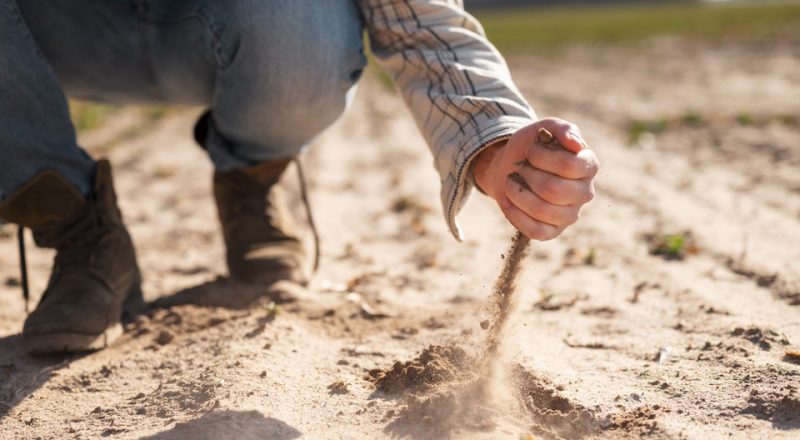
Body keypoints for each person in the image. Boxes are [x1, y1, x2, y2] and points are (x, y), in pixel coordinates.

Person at [0, 0, 598, 355]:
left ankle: (251, 176)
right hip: (47, 29)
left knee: (298, 15)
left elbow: (415, 15)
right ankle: (79, 228)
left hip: (222, 25)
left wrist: (490, 139)